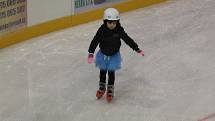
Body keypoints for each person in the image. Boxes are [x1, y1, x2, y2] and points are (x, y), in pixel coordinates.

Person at [87, 8, 144, 102]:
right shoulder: (102, 30)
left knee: (111, 73)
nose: (112, 25)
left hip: (114, 56)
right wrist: (91, 53)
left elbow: (127, 39)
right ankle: (102, 88)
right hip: (103, 55)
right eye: (110, 23)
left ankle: (110, 90)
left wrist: (136, 48)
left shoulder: (119, 30)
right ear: (105, 21)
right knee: (102, 72)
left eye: (114, 23)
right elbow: (95, 40)